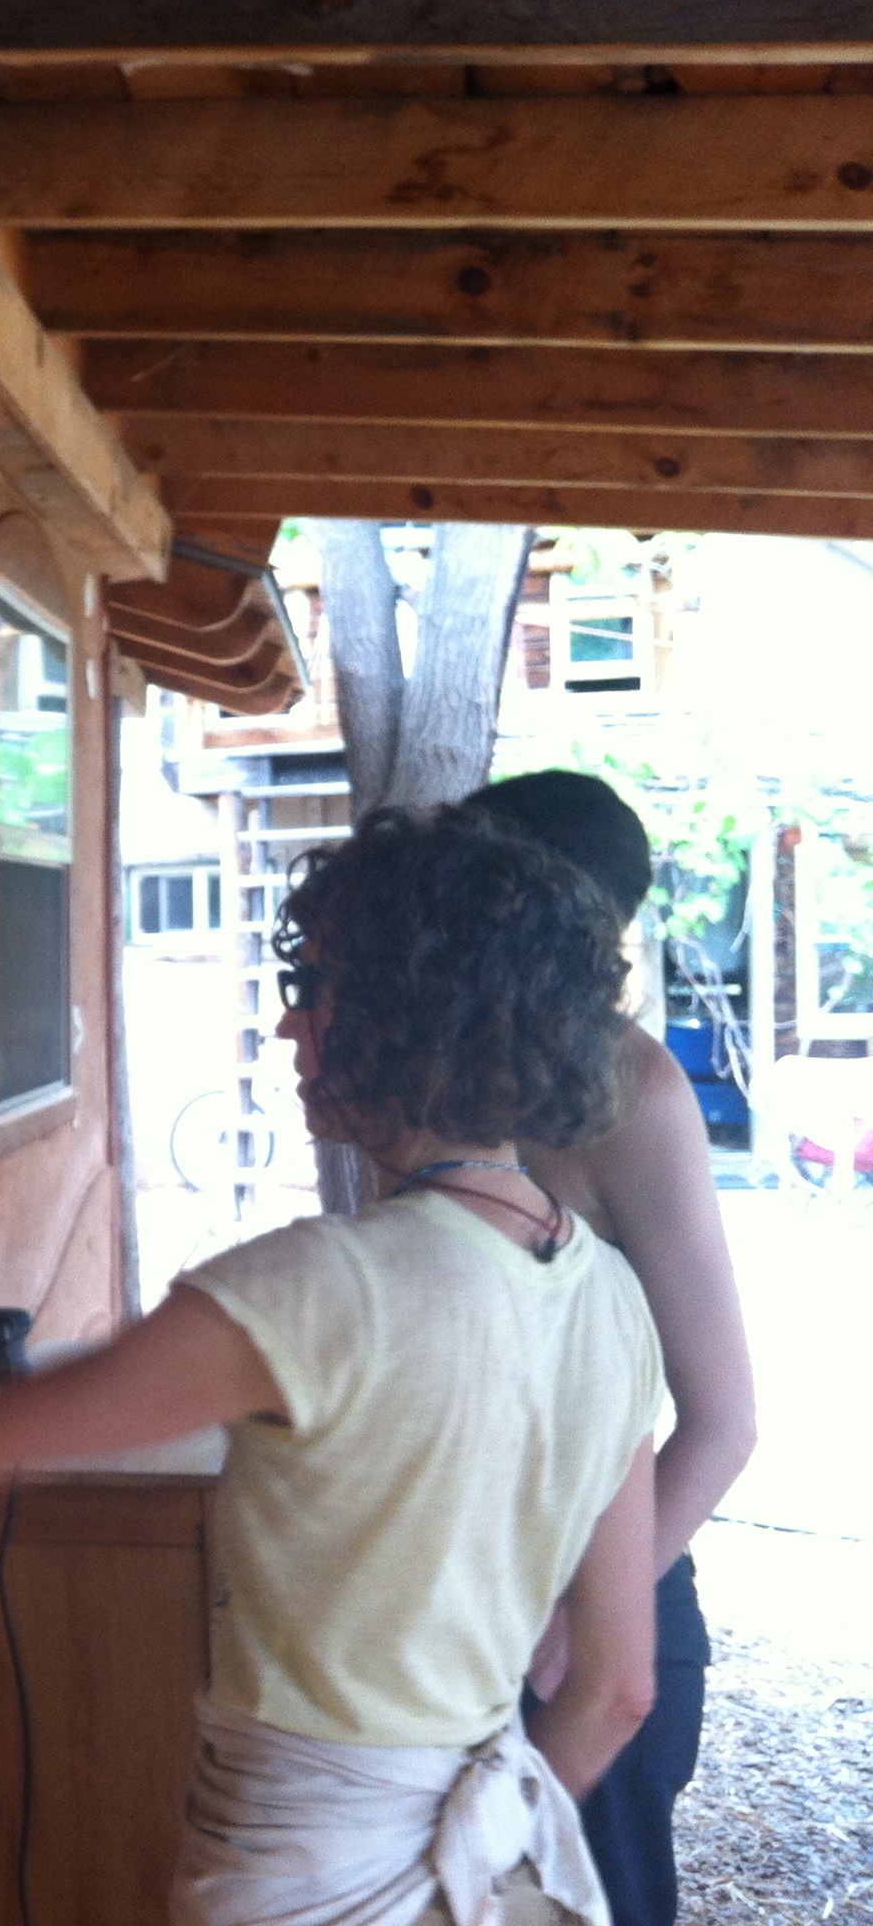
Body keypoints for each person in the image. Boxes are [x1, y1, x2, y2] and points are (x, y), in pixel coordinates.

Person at [0, 805, 664, 1926]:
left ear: (406, 1014)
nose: (289, 1023)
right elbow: (616, 1689)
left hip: (298, 1877)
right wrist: (476, 1850)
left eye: (313, 988)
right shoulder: (609, 1300)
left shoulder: (326, 1288)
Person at [467, 770, 759, 1926]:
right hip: (463, 1610)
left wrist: (583, 1624)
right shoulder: (440, 1067)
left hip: (588, 1624)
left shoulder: (628, 1090)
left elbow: (725, 1421)